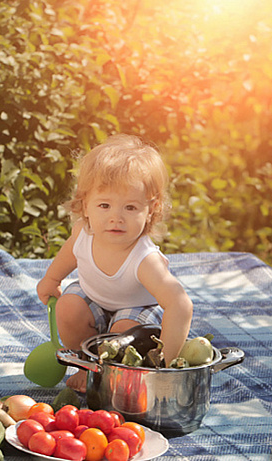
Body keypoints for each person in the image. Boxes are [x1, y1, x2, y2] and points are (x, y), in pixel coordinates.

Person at [36, 134, 193, 392]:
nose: (115, 218)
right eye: (105, 205)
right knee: (68, 307)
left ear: (151, 209)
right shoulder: (83, 233)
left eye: (130, 208)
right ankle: (87, 366)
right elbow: (69, 255)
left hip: (135, 311)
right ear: (85, 205)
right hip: (95, 299)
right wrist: (52, 279)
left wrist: (165, 363)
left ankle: (112, 378)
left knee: (124, 334)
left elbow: (180, 304)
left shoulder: (144, 259)